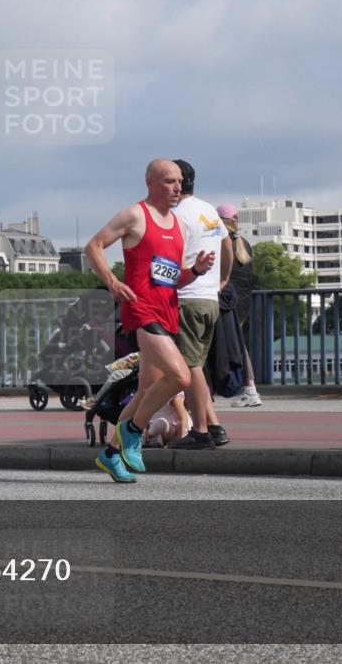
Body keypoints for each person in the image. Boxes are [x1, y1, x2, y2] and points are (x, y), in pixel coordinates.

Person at [84, 158, 215, 483]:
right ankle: (132, 431)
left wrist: (195, 271)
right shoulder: (134, 215)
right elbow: (94, 246)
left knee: (146, 392)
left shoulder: (181, 227)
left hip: (168, 312)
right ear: (151, 183)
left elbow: (172, 280)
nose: (178, 187)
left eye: (180, 182)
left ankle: (112, 455)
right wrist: (112, 283)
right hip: (141, 313)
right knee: (181, 377)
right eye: (170, 181)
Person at [168, 159, 234, 450]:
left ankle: (201, 431)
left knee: (190, 366)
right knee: (197, 366)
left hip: (186, 297)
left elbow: (169, 255)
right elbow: (228, 246)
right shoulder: (208, 209)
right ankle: (215, 426)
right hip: (209, 298)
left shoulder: (177, 215)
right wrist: (222, 280)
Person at [216, 203, 262, 407]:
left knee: (228, 345)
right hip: (242, 301)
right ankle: (249, 387)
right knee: (238, 344)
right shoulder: (244, 243)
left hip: (224, 300)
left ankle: (247, 388)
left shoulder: (220, 242)